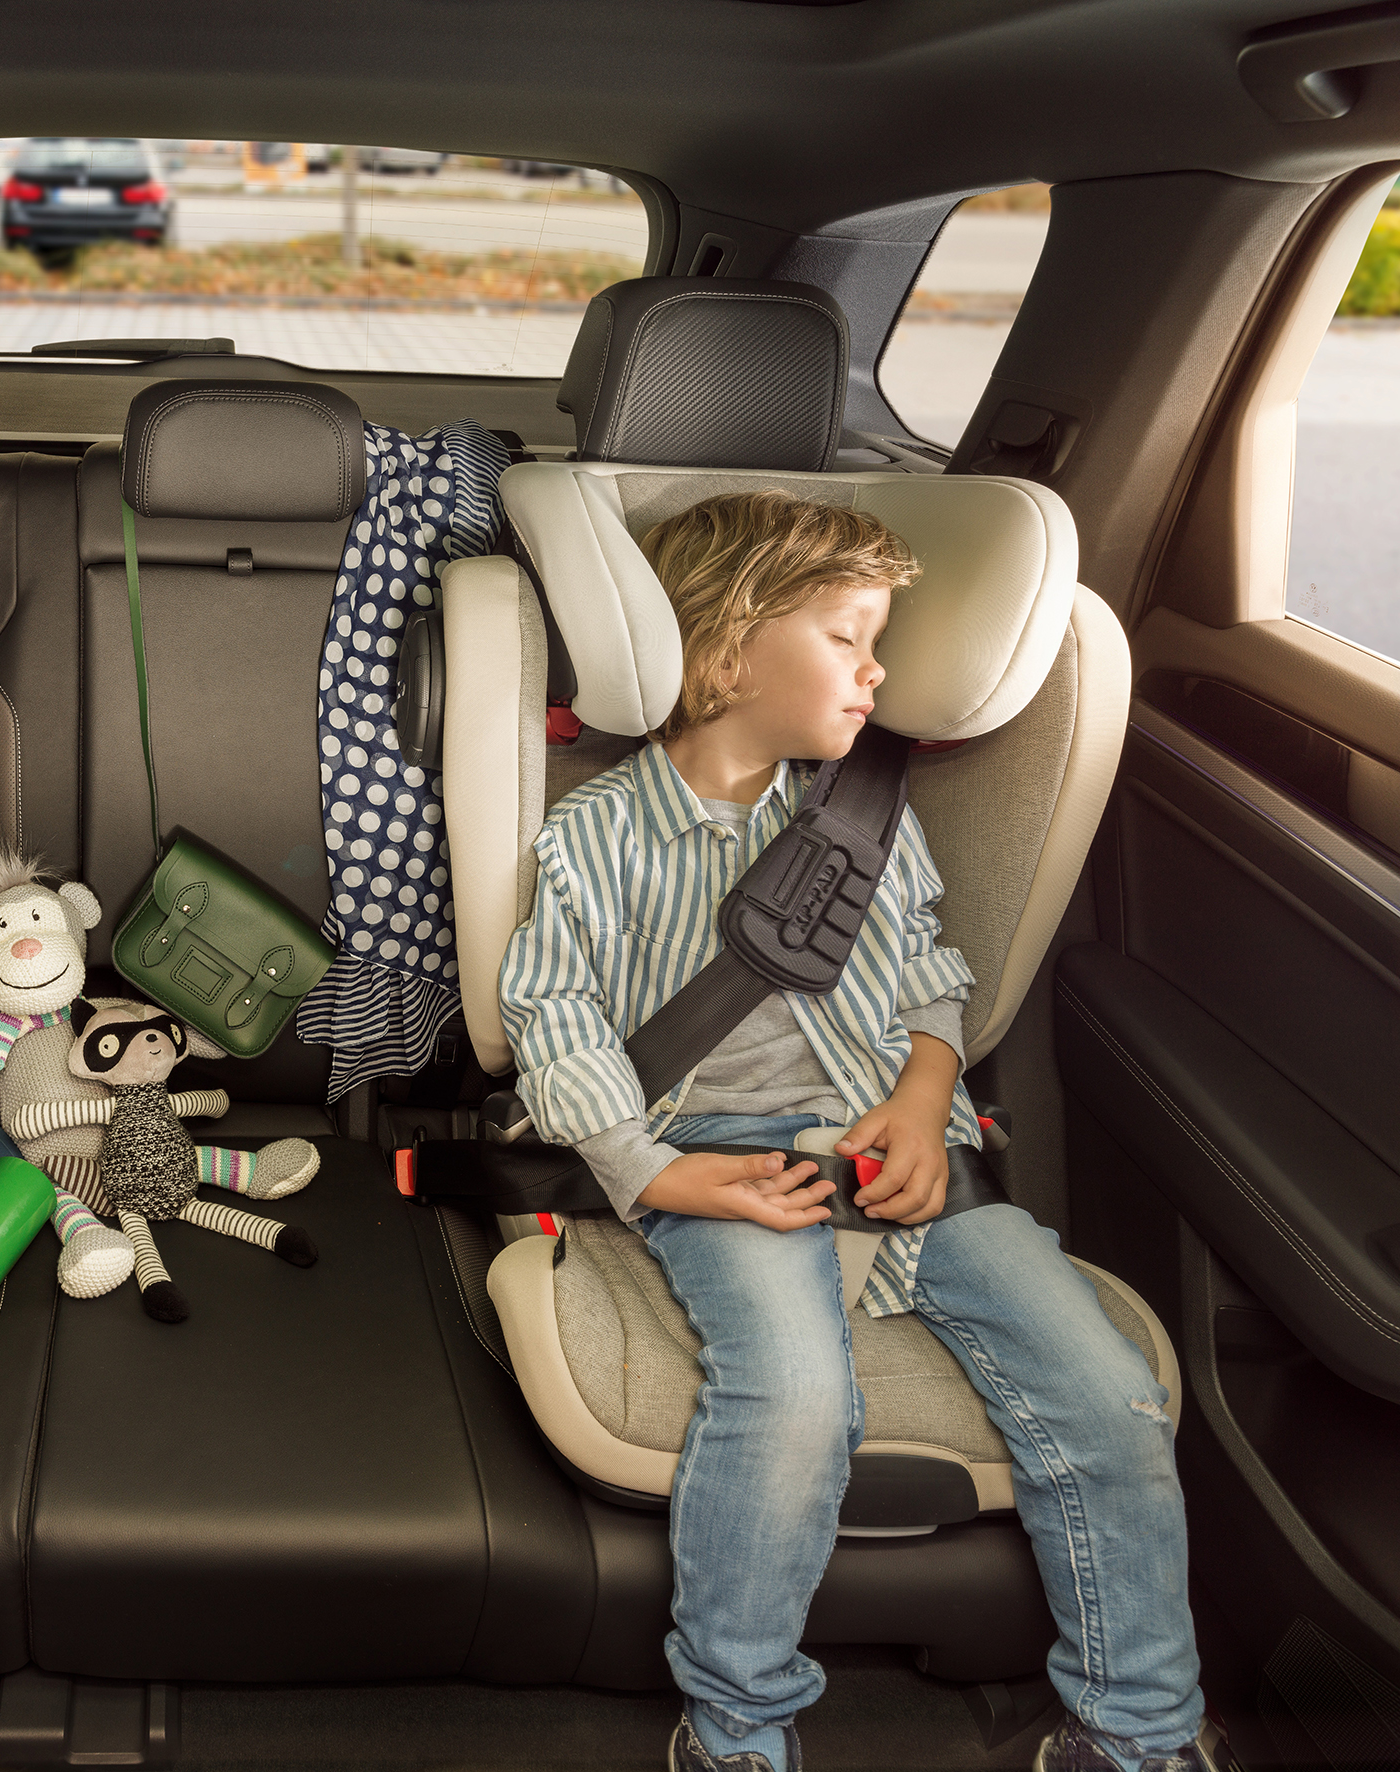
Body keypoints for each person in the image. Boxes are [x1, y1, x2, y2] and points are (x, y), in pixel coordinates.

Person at [499, 491, 1213, 1772]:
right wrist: (661, 1174)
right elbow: (554, 1020)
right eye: (846, 639)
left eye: (877, 643)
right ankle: (737, 1726)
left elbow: (931, 968)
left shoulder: (864, 814)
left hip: (895, 1141)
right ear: (727, 653)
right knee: (793, 1398)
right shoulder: (592, 836)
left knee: (1108, 1390)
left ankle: (1138, 1733)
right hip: (723, 1153)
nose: (877, 672)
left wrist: (929, 1095)